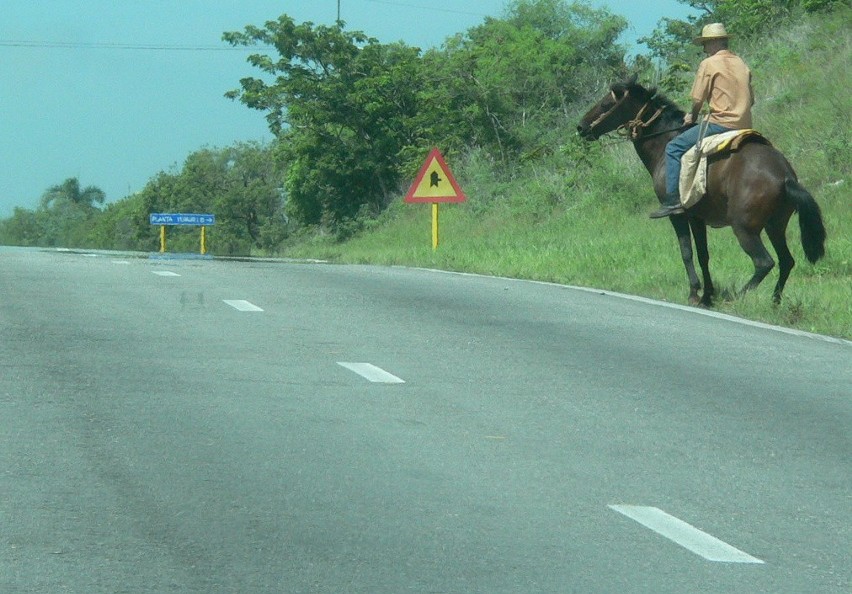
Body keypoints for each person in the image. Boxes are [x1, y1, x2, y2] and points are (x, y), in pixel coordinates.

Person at [650, 23, 755, 219]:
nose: (704, 49)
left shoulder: (708, 64)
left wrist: (692, 116)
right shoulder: (741, 63)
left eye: (705, 44)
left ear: (714, 42)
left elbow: (698, 99)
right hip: (745, 125)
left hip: (720, 125)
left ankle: (672, 200)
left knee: (673, 147)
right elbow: (752, 99)